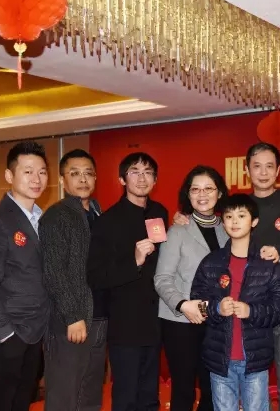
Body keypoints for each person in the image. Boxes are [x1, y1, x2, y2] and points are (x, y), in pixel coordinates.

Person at [173, 143, 280, 411]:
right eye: (256, 166)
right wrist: (185, 217)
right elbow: (207, 214)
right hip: (239, 319)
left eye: (269, 166)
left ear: (279, 171)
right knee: (236, 387)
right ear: (247, 170)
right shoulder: (236, 204)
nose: (263, 172)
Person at [190, 193, 280, 411]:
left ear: (254, 221)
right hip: (220, 360)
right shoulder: (211, 262)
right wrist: (216, 308)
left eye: (241, 216)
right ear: (223, 222)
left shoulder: (267, 262)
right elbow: (196, 302)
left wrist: (251, 311)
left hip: (255, 361)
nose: (234, 221)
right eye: (229, 216)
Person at [87, 152, 168, 411]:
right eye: (135, 172)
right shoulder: (107, 222)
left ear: (155, 179)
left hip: (155, 320)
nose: (142, 178)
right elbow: (96, 276)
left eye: (148, 172)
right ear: (122, 179)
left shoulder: (160, 212)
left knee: (150, 397)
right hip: (125, 324)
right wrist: (134, 261)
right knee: (126, 398)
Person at [0, 140, 50, 411]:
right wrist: (5, 334)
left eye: (42, 172)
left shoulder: (41, 219)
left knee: (21, 403)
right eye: (27, 171)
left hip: (32, 333)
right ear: (9, 175)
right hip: (1, 334)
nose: (36, 179)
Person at [154, 165, 229, 411]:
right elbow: (162, 278)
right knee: (184, 390)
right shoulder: (177, 230)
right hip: (180, 322)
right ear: (188, 194)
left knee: (213, 389)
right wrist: (182, 304)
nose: (202, 194)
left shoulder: (229, 229)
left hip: (216, 320)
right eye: (195, 189)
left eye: (209, 188)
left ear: (219, 193)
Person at [40, 149, 106, 411]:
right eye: (75, 173)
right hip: (71, 321)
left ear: (96, 178)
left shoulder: (98, 213)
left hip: (99, 318)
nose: (83, 179)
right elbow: (54, 270)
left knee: (90, 394)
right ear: (62, 180)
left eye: (88, 173)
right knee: (64, 396)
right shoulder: (56, 216)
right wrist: (72, 316)